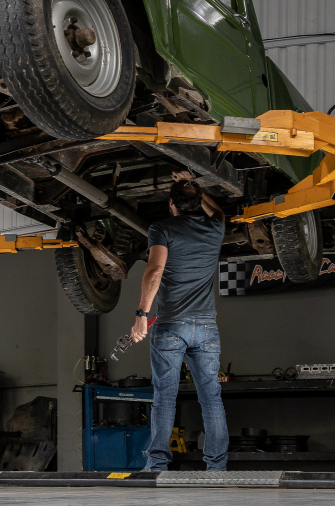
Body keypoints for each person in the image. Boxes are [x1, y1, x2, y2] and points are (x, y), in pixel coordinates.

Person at [130, 170, 228, 471]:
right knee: (210, 396)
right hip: (207, 326)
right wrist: (194, 186)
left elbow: (154, 271)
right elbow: (218, 211)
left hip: (171, 324)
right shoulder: (215, 228)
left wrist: (141, 316)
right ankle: (217, 468)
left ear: (171, 203)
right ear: (198, 202)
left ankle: (157, 465)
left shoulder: (162, 228)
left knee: (165, 397)